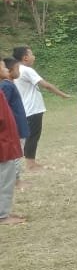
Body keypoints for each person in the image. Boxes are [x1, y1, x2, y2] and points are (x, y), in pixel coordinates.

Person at [13, 45, 70, 170]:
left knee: (31, 135)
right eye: (31, 54)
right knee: (33, 136)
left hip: (27, 108)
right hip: (33, 109)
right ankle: (30, 164)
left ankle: (30, 161)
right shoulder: (27, 70)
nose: (34, 57)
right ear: (25, 57)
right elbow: (46, 85)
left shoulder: (17, 69)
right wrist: (62, 94)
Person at [1, 58, 29, 183]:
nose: (19, 72)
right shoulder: (6, 86)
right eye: (17, 69)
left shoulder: (10, 84)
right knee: (16, 153)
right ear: (10, 71)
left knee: (19, 150)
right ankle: (15, 180)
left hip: (19, 124)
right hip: (15, 126)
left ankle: (16, 178)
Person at [0, 89, 24, 226]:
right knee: (4, 180)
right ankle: (2, 215)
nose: (5, 70)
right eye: (2, 67)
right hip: (3, 145)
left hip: (5, 143)